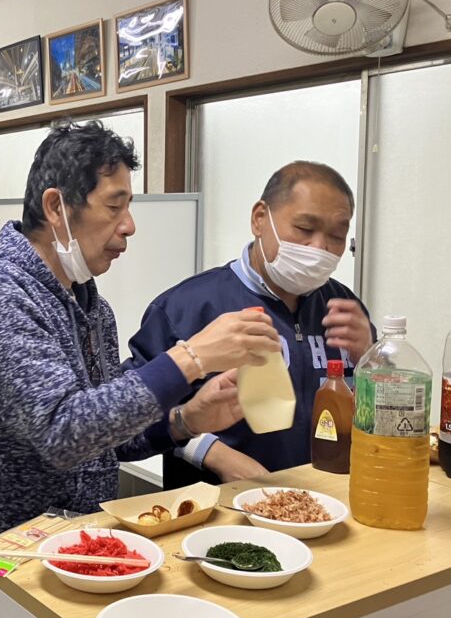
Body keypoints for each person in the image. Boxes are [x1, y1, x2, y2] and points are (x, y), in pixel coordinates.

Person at [0, 122, 280, 618]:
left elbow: (102, 435)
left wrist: (186, 419)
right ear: (56, 207)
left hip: (67, 563)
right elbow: (63, 430)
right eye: (115, 206)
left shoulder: (90, 307)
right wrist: (188, 358)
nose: (129, 226)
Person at [128, 161, 375, 489]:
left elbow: (376, 414)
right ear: (260, 219)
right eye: (304, 228)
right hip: (219, 505)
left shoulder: (344, 308)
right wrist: (211, 453)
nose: (320, 248)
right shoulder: (186, 306)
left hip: (327, 498)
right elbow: (132, 417)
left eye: (337, 235)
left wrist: (372, 360)